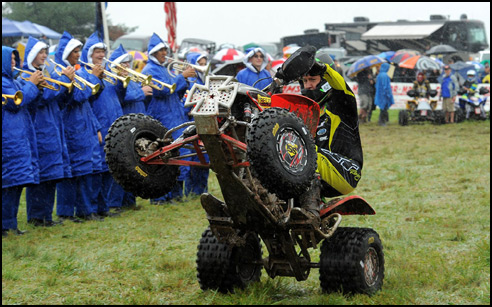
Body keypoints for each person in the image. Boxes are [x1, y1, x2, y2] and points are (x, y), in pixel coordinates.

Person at [283, 50, 363, 227]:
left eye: (313, 80)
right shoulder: (304, 110)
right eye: (305, 80)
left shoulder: (342, 103)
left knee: (303, 152)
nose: (308, 85)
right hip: (316, 169)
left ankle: (310, 213)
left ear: (325, 81)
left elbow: (340, 86)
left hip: (347, 170)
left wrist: (323, 68)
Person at [19, 36, 73, 227]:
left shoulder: (44, 73)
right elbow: (42, 98)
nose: (44, 56)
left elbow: (58, 100)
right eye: (41, 52)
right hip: (38, 128)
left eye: (45, 52)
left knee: (52, 175)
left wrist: (67, 87)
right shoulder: (26, 76)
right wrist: (62, 81)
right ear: (32, 55)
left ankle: (46, 216)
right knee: (41, 176)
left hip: (52, 127)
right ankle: (36, 217)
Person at [53, 31, 103, 222]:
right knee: (71, 173)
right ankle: (66, 212)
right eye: (74, 51)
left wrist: (96, 127)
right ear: (66, 54)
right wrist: (94, 79)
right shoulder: (61, 73)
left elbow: (88, 103)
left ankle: (85, 210)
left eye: (78, 51)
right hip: (71, 127)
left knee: (85, 171)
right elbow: (78, 97)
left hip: (84, 126)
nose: (77, 54)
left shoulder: (77, 72)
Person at [142, 33, 195, 205]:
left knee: (178, 156)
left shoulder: (165, 69)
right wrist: (182, 77)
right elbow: (162, 90)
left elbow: (176, 92)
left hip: (174, 115)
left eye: (166, 49)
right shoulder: (150, 70)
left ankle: (176, 194)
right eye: (162, 50)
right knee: (163, 157)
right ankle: (160, 197)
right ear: (154, 53)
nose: (165, 53)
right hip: (162, 116)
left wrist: (184, 82)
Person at [81, 32, 124, 218]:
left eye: (103, 51)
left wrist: (122, 82)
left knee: (109, 168)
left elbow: (119, 97)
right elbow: (87, 100)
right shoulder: (84, 74)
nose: (100, 55)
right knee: (96, 170)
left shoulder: (108, 74)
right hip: (98, 126)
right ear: (88, 54)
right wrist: (95, 77)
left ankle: (104, 207)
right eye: (96, 51)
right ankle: (91, 208)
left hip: (114, 125)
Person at [107, 44, 152, 211]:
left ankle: (129, 200)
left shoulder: (132, 79)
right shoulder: (115, 80)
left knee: (135, 164)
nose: (127, 66)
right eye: (123, 63)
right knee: (124, 164)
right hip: (125, 126)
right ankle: (116, 202)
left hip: (136, 124)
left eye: (128, 63)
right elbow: (124, 98)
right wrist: (142, 92)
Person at [2, 46, 41, 236]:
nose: (14, 63)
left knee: (16, 183)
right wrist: (32, 85)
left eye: (14, 59)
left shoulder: (14, 81)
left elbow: (27, 102)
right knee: (8, 184)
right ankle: (5, 225)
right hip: (9, 140)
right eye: (9, 60)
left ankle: (10, 224)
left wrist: (37, 88)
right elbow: (15, 103)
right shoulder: (3, 83)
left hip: (19, 138)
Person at [182, 52, 210, 198]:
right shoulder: (190, 82)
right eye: (200, 63)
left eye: (205, 63)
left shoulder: (204, 81)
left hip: (204, 121)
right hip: (192, 122)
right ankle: (190, 192)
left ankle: (202, 190)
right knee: (192, 159)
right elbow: (184, 104)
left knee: (204, 158)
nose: (203, 67)